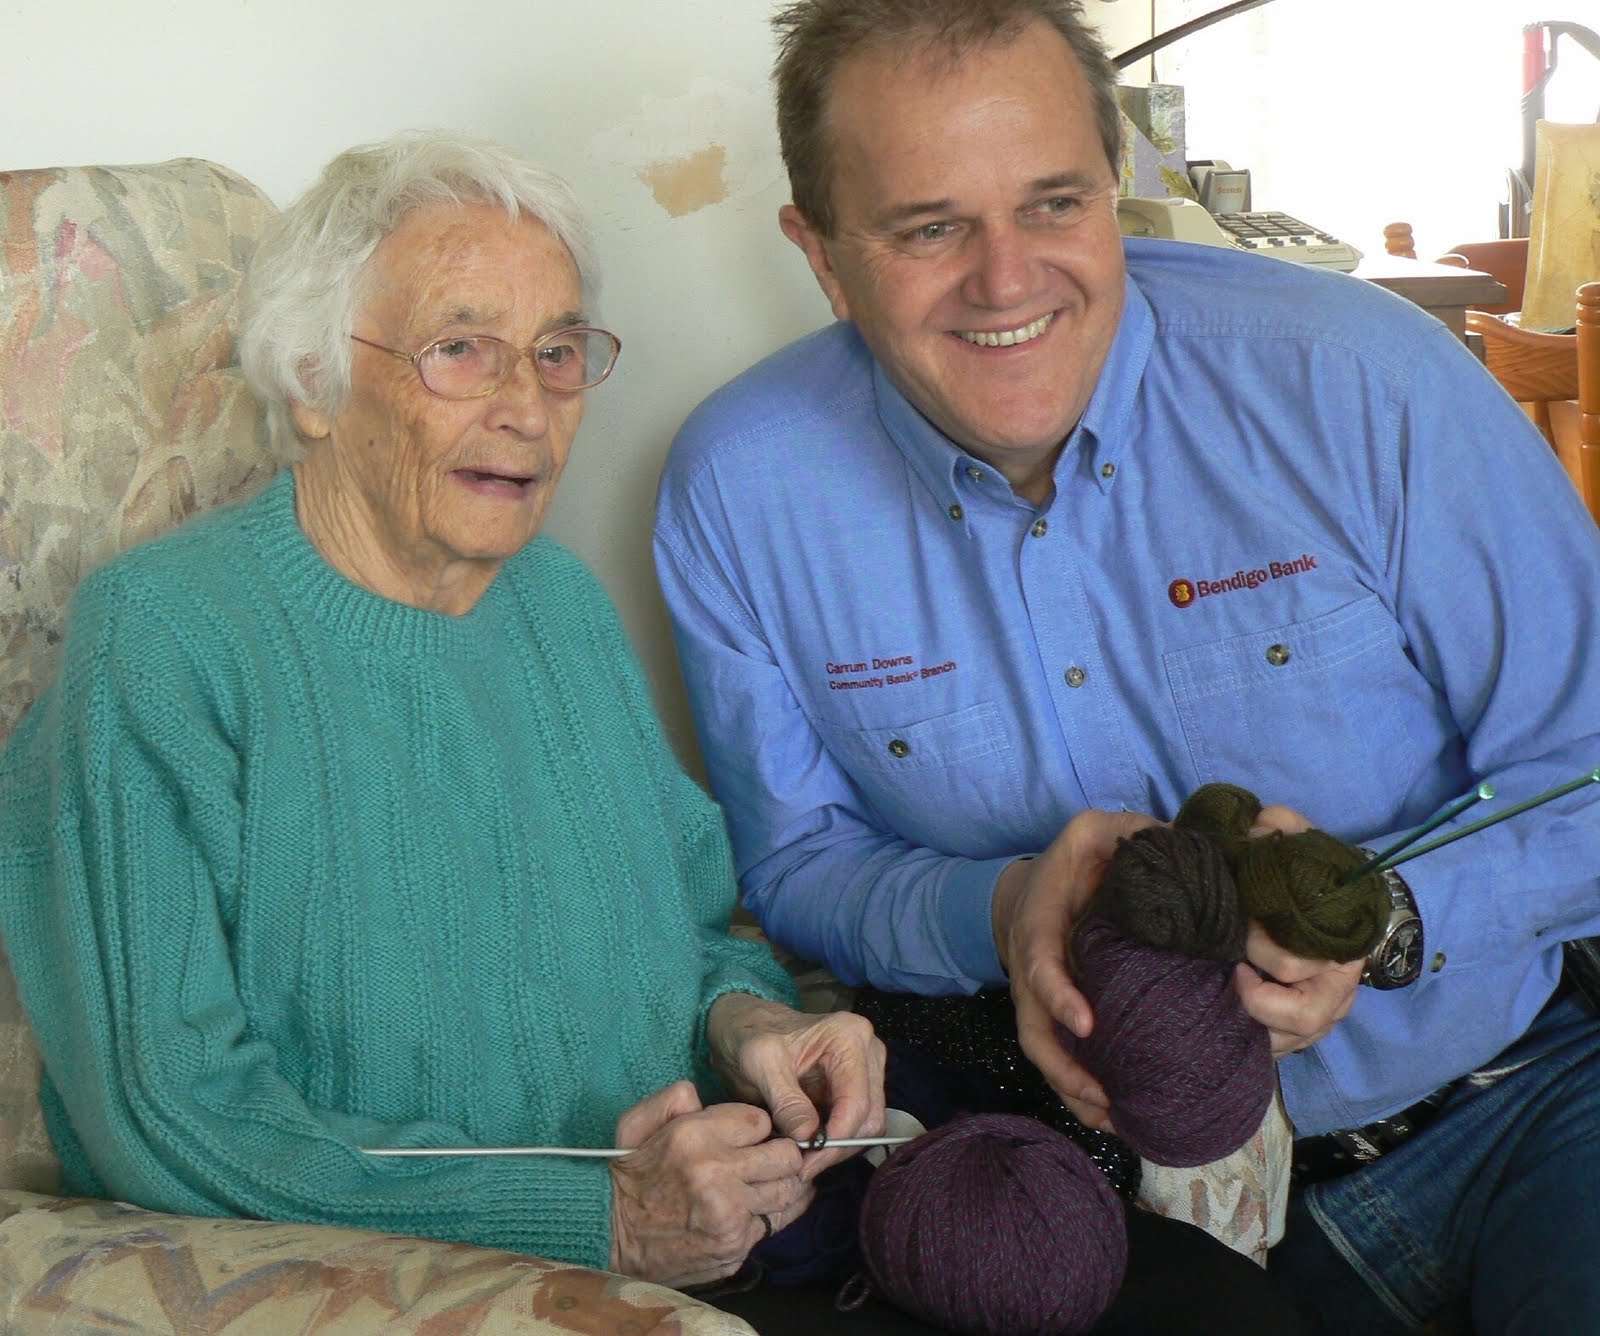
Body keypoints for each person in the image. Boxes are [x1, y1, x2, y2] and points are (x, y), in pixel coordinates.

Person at [653, 1, 1600, 1331]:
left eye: (1054, 204)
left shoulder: (1359, 378)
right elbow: (797, 867)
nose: (1007, 280)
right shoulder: (740, 493)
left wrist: (1385, 918)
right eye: (929, 226)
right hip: (1094, 1204)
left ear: (1115, 188)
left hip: (1517, 1111)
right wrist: (1004, 906)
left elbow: (1589, 771)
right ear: (819, 254)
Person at [0, 130, 888, 1296]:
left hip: (721, 1234)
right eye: (461, 349)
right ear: (313, 383)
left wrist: (748, 1032)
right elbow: (167, 1114)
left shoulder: (561, 602)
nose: (527, 406)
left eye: (557, 350)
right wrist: (600, 1219)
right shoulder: (165, 640)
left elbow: (691, 931)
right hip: (503, 1283)